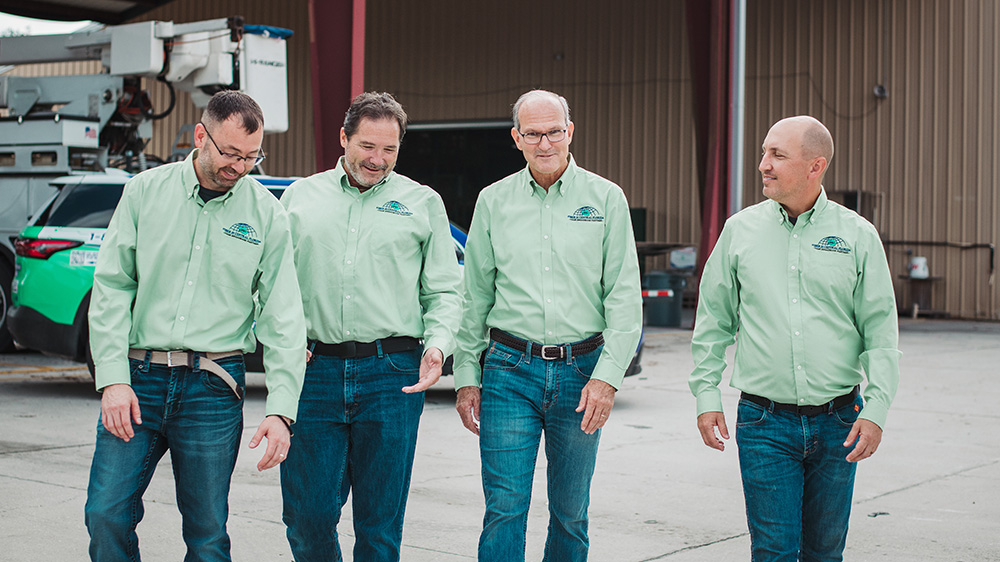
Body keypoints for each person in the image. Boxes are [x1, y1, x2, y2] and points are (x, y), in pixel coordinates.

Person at [85, 90, 306, 561]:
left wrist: (281, 410)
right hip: (138, 382)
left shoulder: (267, 214)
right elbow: (112, 288)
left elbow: (283, 316)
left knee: (206, 535)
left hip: (212, 387)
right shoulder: (144, 192)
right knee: (106, 513)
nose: (240, 167)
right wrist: (113, 380)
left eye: (252, 156)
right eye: (230, 153)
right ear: (201, 136)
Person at [690, 115, 901, 561]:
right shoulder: (739, 232)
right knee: (773, 551)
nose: (764, 164)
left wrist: (877, 408)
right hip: (764, 424)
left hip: (840, 421)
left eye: (777, 155)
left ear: (815, 166)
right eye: (764, 152)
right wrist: (706, 394)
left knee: (825, 552)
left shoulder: (857, 235)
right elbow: (713, 320)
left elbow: (880, 332)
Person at [453, 89, 643, 562]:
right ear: (516, 138)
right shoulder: (492, 201)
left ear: (570, 132)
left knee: (571, 512)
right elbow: (474, 297)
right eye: (533, 134)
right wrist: (466, 376)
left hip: (583, 373)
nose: (545, 143)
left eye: (554, 131)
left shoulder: (605, 198)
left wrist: (608, 378)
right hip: (508, 372)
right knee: (504, 507)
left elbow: (623, 297)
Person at [279, 92, 462, 562]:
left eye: (389, 149)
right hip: (313, 372)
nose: (377, 160)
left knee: (379, 525)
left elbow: (444, 290)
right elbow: (269, 282)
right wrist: (281, 337)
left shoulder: (423, 203)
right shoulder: (299, 198)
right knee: (307, 517)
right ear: (343, 138)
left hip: (391, 374)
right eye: (366, 146)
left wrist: (438, 348)